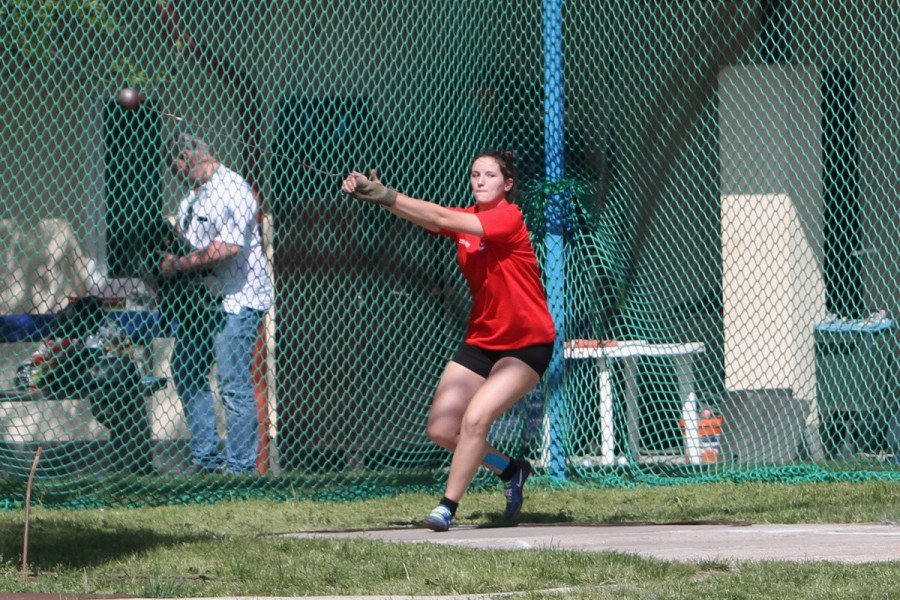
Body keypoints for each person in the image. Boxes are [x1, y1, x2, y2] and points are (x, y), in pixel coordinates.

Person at [341, 150, 556, 531]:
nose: (480, 181)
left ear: (507, 184)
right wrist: (372, 195)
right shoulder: (467, 220)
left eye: (490, 175)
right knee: (442, 430)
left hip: (527, 343)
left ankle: (446, 507)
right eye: (475, 174)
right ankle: (511, 470)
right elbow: (428, 216)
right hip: (483, 339)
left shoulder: (509, 217)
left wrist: (387, 193)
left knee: (475, 419)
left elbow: (439, 216)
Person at [157, 131, 273, 474]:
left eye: (175, 165)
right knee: (187, 370)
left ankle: (240, 469)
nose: (174, 172)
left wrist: (179, 264)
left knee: (233, 384)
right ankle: (206, 459)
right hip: (202, 300)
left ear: (188, 157)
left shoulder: (233, 190)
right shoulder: (192, 196)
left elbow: (228, 248)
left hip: (238, 298)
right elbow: (186, 238)